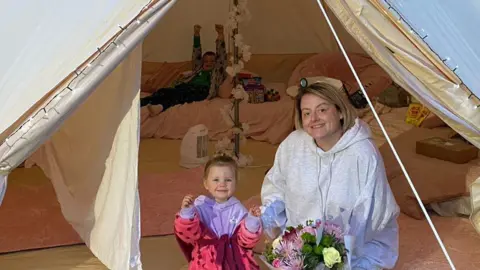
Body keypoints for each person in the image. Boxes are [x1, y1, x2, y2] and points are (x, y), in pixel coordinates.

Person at [260, 81, 400, 269]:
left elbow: (371, 214)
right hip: (302, 244)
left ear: (340, 112)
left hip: (356, 246)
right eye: (307, 113)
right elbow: (275, 186)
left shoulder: (362, 153)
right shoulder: (292, 145)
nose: (314, 119)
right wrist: (272, 218)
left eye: (322, 110)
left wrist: (332, 251)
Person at [174, 155, 263, 269]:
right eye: (216, 180)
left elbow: (246, 242)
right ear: (206, 183)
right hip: (206, 260)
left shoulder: (239, 209)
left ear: (236, 183)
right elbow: (189, 235)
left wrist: (252, 221)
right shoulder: (200, 206)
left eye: (228, 180)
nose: (222, 184)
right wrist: (187, 212)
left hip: (234, 260)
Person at [141, 24, 232, 116]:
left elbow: (221, 57)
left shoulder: (216, 72)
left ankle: (161, 107)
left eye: (212, 61)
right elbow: (196, 54)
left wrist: (220, 35)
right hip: (187, 85)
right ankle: (142, 103)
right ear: (202, 63)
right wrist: (196, 34)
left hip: (202, 90)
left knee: (180, 96)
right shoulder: (198, 69)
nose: (209, 63)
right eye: (206, 61)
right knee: (164, 91)